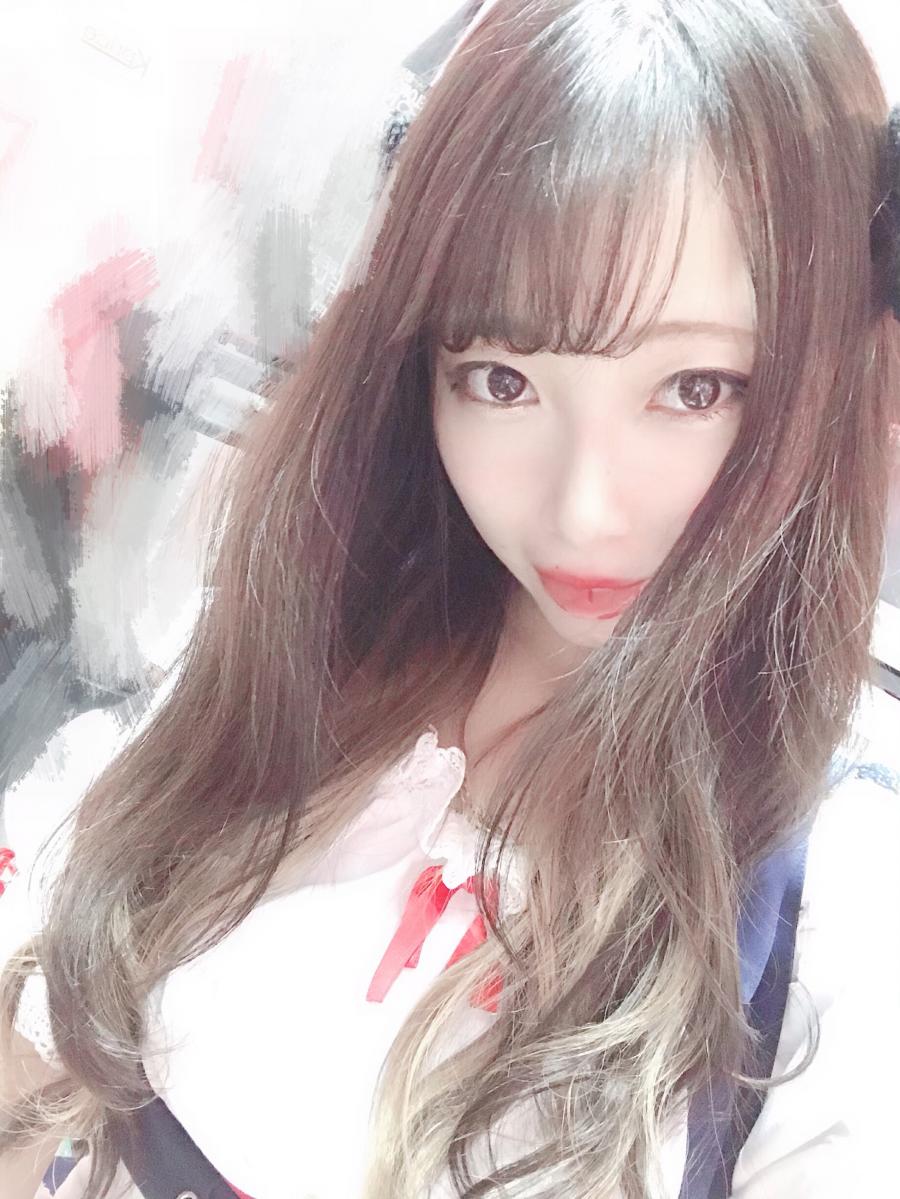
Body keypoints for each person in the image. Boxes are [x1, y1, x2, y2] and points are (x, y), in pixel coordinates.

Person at [2, 0, 900, 1196]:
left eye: (695, 386)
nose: (582, 511)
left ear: (841, 367)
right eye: (500, 377)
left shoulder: (842, 895)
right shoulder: (318, 629)